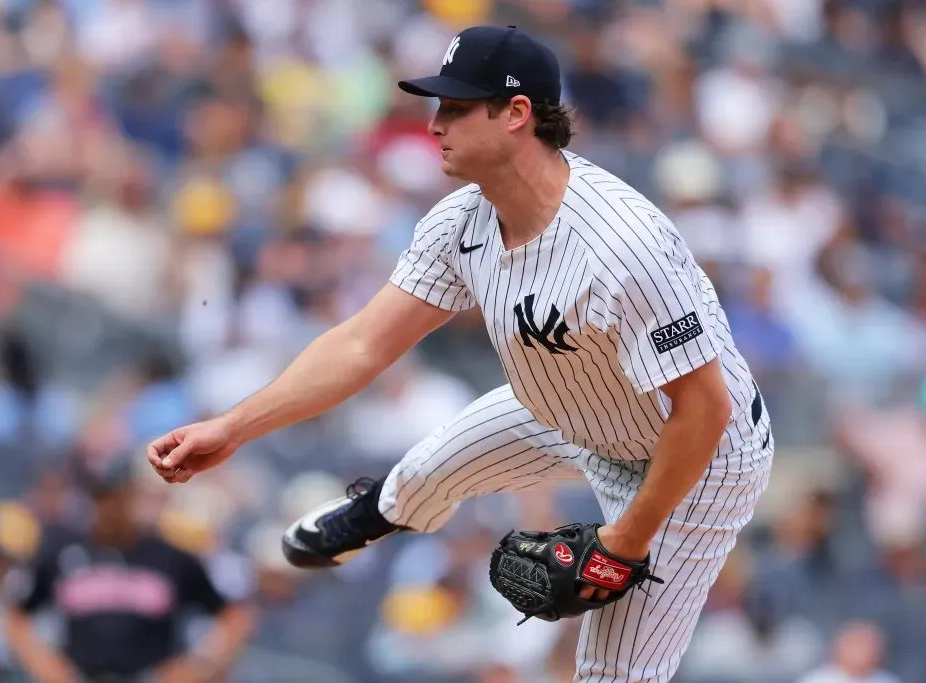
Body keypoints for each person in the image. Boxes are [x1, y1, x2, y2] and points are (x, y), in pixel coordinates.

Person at [146, 25, 774, 683]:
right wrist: (234, 426)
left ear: (516, 114)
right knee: (427, 469)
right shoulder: (461, 222)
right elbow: (362, 343)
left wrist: (625, 540)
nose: (434, 123)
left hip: (694, 455)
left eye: (455, 107)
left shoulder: (622, 246)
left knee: (613, 675)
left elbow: (703, 408)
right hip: (574, 404)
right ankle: (373, 512)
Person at [3, 457, 254, 682]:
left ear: (132, 494)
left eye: (117, 496)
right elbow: (17, 615)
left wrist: (199, 664)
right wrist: (44, 665)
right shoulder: (64, 552)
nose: (109, 506)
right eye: (102, 497)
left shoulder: (169, 556)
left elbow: (235, 616)